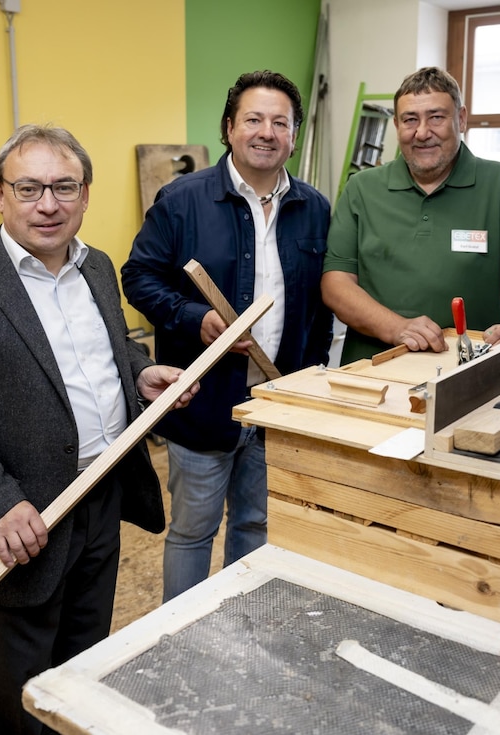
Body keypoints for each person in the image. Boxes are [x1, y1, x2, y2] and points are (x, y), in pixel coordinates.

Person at [0, 124, 198, 735]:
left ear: (86, 194)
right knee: (14, 696)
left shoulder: (97, 269)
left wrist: (139, 375)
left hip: (99, 498)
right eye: (29, 187)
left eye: (64, 186)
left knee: (80, 673)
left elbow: (106, 354)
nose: (48, 204)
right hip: (19, 523)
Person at [121, 70, 333, 602]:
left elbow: (324, 304)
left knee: (256, 528)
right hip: (202, 403)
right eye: (254, 119)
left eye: (280, 122)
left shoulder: (315, 208)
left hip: (277, 405)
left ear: (294, 134)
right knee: (193, 532)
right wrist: (195, 317)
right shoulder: (182, 200)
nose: (266, 132)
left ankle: (239, 628)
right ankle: (180, 637)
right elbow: (138, 278)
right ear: (229, 128)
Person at [322, 66, 500, 365]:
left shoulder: (498, 183)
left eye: (436, 117)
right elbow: (336, 284)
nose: (422, 132)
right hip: (372, 374)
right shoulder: (362, 188)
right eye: (410, 120)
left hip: (470, 373)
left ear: (460, 119)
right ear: (396, 124)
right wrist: (397, 328)